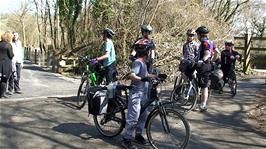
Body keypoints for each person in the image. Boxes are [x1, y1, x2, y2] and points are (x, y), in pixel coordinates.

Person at [122, 39, 156, 149]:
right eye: (150, 50)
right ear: (146, 51)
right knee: (134, 117)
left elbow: (146, 75)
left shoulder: (144, 63)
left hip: (143, 93)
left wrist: (155, 76)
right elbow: (132, 75)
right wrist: (142, 78)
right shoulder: (137, 62)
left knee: (143, 116)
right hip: (136, 93)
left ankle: (138, 135)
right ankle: (126, 139)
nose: (150, 52)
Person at [195, 26, 214, 112]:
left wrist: (202, 60)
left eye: (197, 34)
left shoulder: (204, 43)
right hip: (208, 65)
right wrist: (212, 61)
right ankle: (200, 101)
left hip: (204, 66)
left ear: (200, 34)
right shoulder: (211, 42)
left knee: (204, 87)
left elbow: (207, 53)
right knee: (203, 85)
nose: (197, 36)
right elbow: (216, 52)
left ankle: (203, 105)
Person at [0, 31, 14, 98]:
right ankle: (2, 93)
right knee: (4, 79)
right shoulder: (8, 45)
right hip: (6, 64)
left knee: (1, 78)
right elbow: (11, 55)